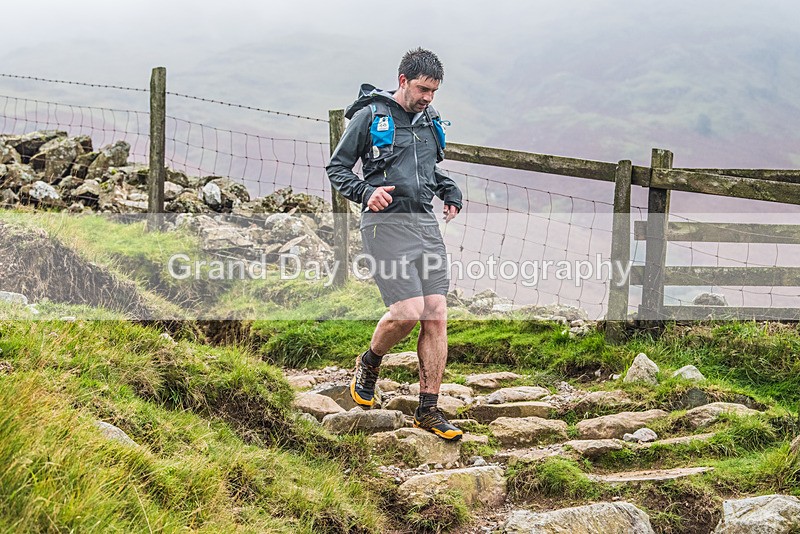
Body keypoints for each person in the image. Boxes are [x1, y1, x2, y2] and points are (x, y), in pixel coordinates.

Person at [326, 48, 464, 441]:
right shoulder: (370, 116)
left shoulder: (430, 119)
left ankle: (429, 409)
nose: (428, 98)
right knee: (407, 312)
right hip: (384, 225)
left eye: (434, 91)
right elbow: (338, 168)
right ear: (403, 80)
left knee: (436, 312)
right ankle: (370, 363)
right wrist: (365, 192)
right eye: (422, 89)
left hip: (423, 224)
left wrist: (449, 189)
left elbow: (426, 172)